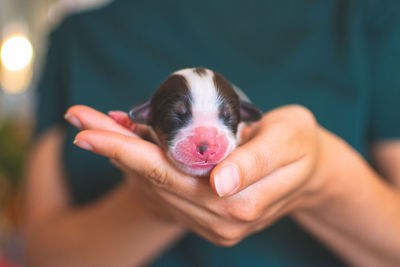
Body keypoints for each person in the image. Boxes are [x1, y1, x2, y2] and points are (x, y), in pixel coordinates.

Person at [23, 0, 400, 266]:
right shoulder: (77, 38)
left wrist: (320, 179)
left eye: (226, 119)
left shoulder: (369, 11)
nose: (206, 143)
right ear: (147, 118)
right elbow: (42, 256)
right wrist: (148, 204)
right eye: (176, 119)